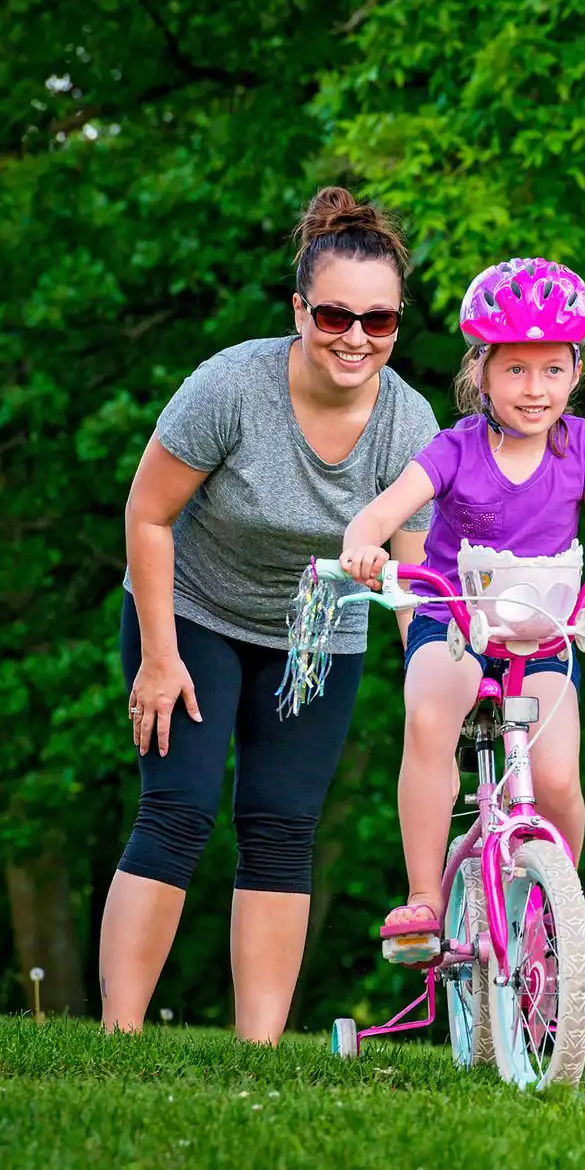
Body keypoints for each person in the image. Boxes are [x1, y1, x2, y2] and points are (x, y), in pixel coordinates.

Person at [102, 187, 438, 1043]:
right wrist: (159, 659)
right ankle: (117, 1036)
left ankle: (259, 1052)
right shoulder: (230, 387)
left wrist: (437, 673)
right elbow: (147, 516)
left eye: (379, 320)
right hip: (193, 616)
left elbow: (414, 582)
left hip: (318, 640)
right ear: (299, 310)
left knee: (283, 827)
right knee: (177, 810)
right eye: (334, 315)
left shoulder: (409, 422)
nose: (356, 337)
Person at [338, 257, 585, 968]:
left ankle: (563, 900)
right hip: (453, 623)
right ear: (481, 372)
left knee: (556, 777)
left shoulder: (582, 447)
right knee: (429, 716)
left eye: (553, 369)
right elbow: (380, 515)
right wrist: (364, 547)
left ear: (575, 373)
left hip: (541, 637)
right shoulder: (454, 449)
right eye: (515, 370)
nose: (535, 388)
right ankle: (425, 898)